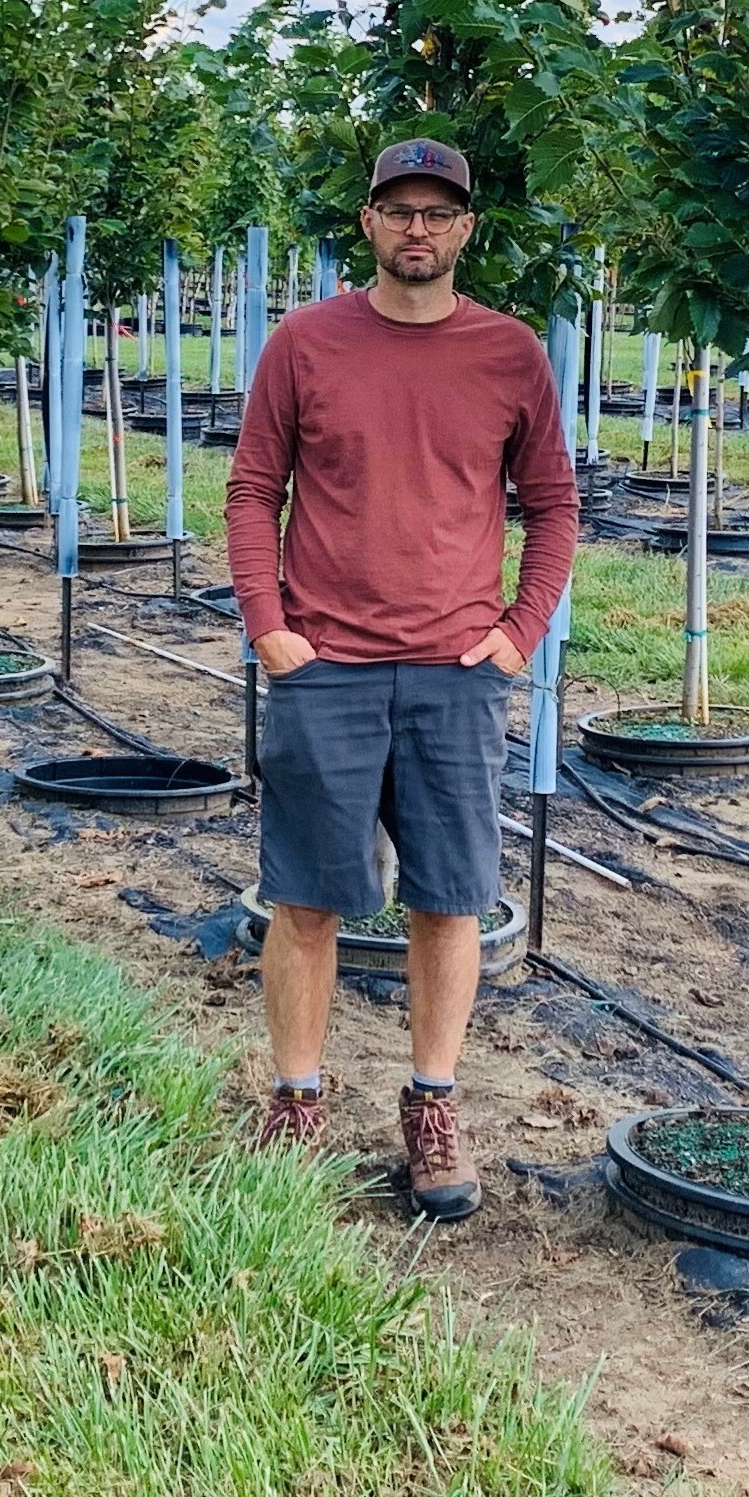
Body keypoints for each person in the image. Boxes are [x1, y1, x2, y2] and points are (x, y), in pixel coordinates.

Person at [224, 138, 580, 1219]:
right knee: (305, 897)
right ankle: (296, 1097)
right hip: (324, 666)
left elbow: (552, 504)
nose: (417, 228)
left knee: (449, 897)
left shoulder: (509, 353)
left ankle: (431, 1106)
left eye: (437, 212)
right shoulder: (306, 342)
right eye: (397, 210)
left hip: (453, 675)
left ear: (466, 229)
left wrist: (519, 631)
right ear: (368, 223)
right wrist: (269, 627)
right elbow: (251, 490)